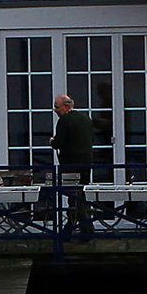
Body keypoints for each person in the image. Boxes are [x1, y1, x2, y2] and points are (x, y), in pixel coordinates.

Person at [50, 92, 102, 230]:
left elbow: (59, 142)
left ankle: (80, 227)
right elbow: (92, 139)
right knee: (81, 194)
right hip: (86, 162)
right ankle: (78, 227)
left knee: (73, 195)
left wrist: (52, 141)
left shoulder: (64, 121)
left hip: (70, 164)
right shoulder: (85, 118)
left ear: (66, 107)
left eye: (56, 107)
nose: (54, 110)